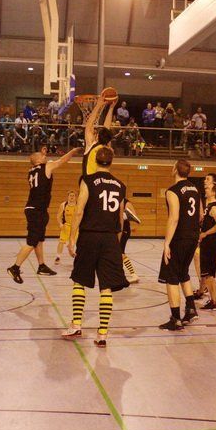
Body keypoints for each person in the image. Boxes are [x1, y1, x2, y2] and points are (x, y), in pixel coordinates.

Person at [62, 147, 128, 347]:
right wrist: (116, 241)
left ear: (95, 160)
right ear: (112, 161)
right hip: (110, 238)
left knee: (79, 281)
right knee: (106, 287)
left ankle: (76, 325)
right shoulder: (120, 185)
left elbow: (79, 210)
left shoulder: (88, 180)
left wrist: (71, 238)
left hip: (89, 236)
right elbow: (120, 217)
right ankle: (102, 334)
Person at [7, 147, 82, 283]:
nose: (45, 157)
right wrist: (73, 151)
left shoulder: (32, 171)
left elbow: (40, 163)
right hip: (36, 210)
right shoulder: (46, 167)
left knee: (39, 240)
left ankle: (41, 266)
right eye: (42, 156)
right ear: (38, 160)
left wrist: (43, 154)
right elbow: (62, 160)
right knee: (32, 242)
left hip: (37, 209)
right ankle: (15, 267)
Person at [158, 160, 201, 331]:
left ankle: (175, 319)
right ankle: (190, 310)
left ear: (175, 169)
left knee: (171, 277)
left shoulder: (173, 190)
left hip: (179, 238)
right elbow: (200, 214)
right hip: (193, 237)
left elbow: (174, 218)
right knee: (183, 273)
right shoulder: (195, 189)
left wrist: (167, 243)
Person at [198, 182, 216, 311]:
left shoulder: (214, 207)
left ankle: (214, 302)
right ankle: (213, 300)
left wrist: (206, 233)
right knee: (209, 274)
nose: (205, 189)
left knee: (208, 274)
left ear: (214, 192)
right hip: (207, 243)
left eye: (208, 188)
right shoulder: (209, 206)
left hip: (210, 243)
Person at [120, 198, 142, 283]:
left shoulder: (126, 202)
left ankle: (133, 275)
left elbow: (135, 217)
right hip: (117, 230)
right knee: (117, 254)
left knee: (120, 253)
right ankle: (119, 274)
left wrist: (123, 216)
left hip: (124, 231)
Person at [55, 191, 77, 264]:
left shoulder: (78, 205)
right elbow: (58, 216)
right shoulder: (63, 205)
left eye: (73, 195)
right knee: (61, 241)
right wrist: (60, 224)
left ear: (75, 197)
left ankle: (73, 253)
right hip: (66, 226)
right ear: (68, 196)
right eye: (70, 195)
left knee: (74, 242)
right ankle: (58, 257)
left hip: (75, 227)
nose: (72, 197)